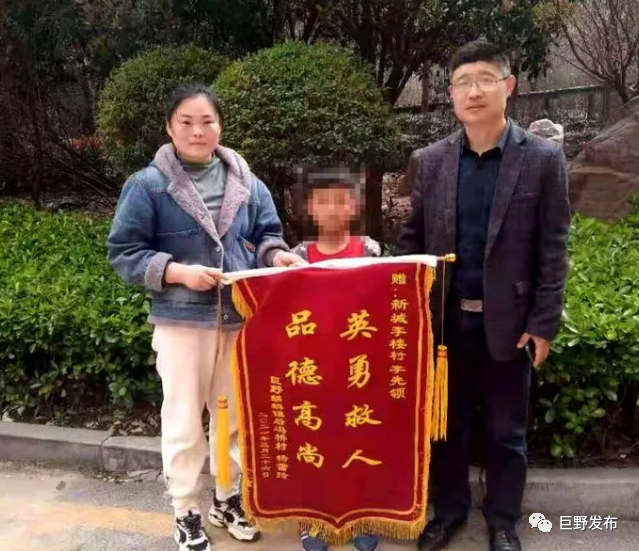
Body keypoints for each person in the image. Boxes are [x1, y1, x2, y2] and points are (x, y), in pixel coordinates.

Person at [107, 83, 304, 551]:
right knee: (182, 420)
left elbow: (267, 235)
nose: (198, 131)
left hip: (238, 319)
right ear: (169, 127)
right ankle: (185, 512)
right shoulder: (148, 185)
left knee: (232, 418)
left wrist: (276, 255)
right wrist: (177, 272)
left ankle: (226, 498)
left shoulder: (248, 183)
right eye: (187, 122)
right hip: (181, 323)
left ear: (220, 125)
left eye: (207, 121)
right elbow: (124, 252)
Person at [397, 40, 570, 551]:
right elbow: (412, 243)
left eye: (485, 80)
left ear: (508, 86)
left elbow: (554, 248)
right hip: (445, 325)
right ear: (451, 94)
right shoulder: (431, 161)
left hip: (510, 324)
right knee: (445, 428)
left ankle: (502, 521)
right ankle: (449, 512)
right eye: (462, 83)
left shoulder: (542, 160)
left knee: (505, 431)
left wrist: (542, 323)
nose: (473, 92)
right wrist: (408, 314)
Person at [291, 165, 381, 551]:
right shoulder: (297, 257)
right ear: (309, 208)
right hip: (314, 373)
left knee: (359, 445)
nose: (332, 208)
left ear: (355, 205)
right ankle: (313, 518)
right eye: (323, 201)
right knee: (315, 445)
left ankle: (362, 516)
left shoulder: (371, 251)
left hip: (359, 373)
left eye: (341, 200)